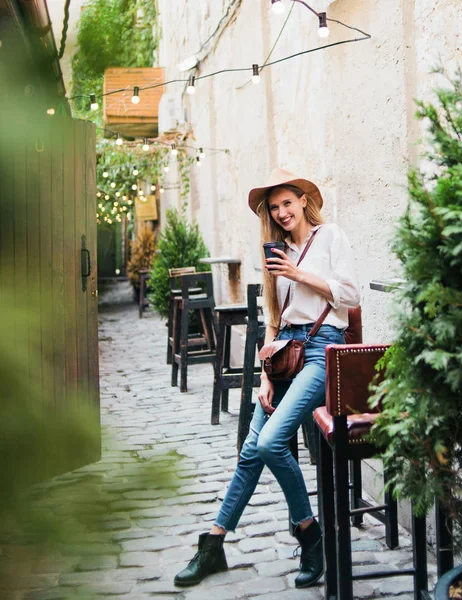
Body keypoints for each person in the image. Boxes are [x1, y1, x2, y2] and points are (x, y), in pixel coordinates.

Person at [174, 168, 360, 589]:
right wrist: (264, 378)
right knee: (250, 452)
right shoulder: (273, 252)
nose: (281, 212)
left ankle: (310, 534)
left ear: (303, 201)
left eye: (287, 203)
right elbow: (273, 321)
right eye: (274, 208)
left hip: (321, 350)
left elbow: (350, 295)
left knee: (270, 441)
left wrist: (296, 273)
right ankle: (214, 544)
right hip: (283, 355)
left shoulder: (331, 237)